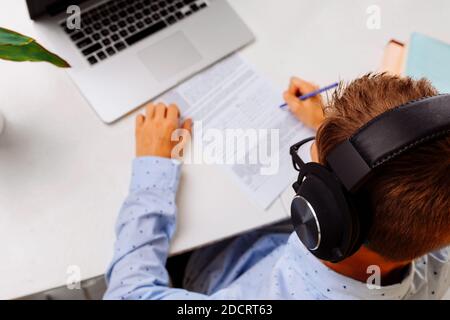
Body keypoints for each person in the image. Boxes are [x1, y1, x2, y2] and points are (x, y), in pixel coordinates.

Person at [103, 73, 450, 300]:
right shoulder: (436, 245)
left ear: (327, 216)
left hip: (212, 271)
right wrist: (334, 131)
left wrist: (153, 168)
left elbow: (128, 292)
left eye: (309, 167)